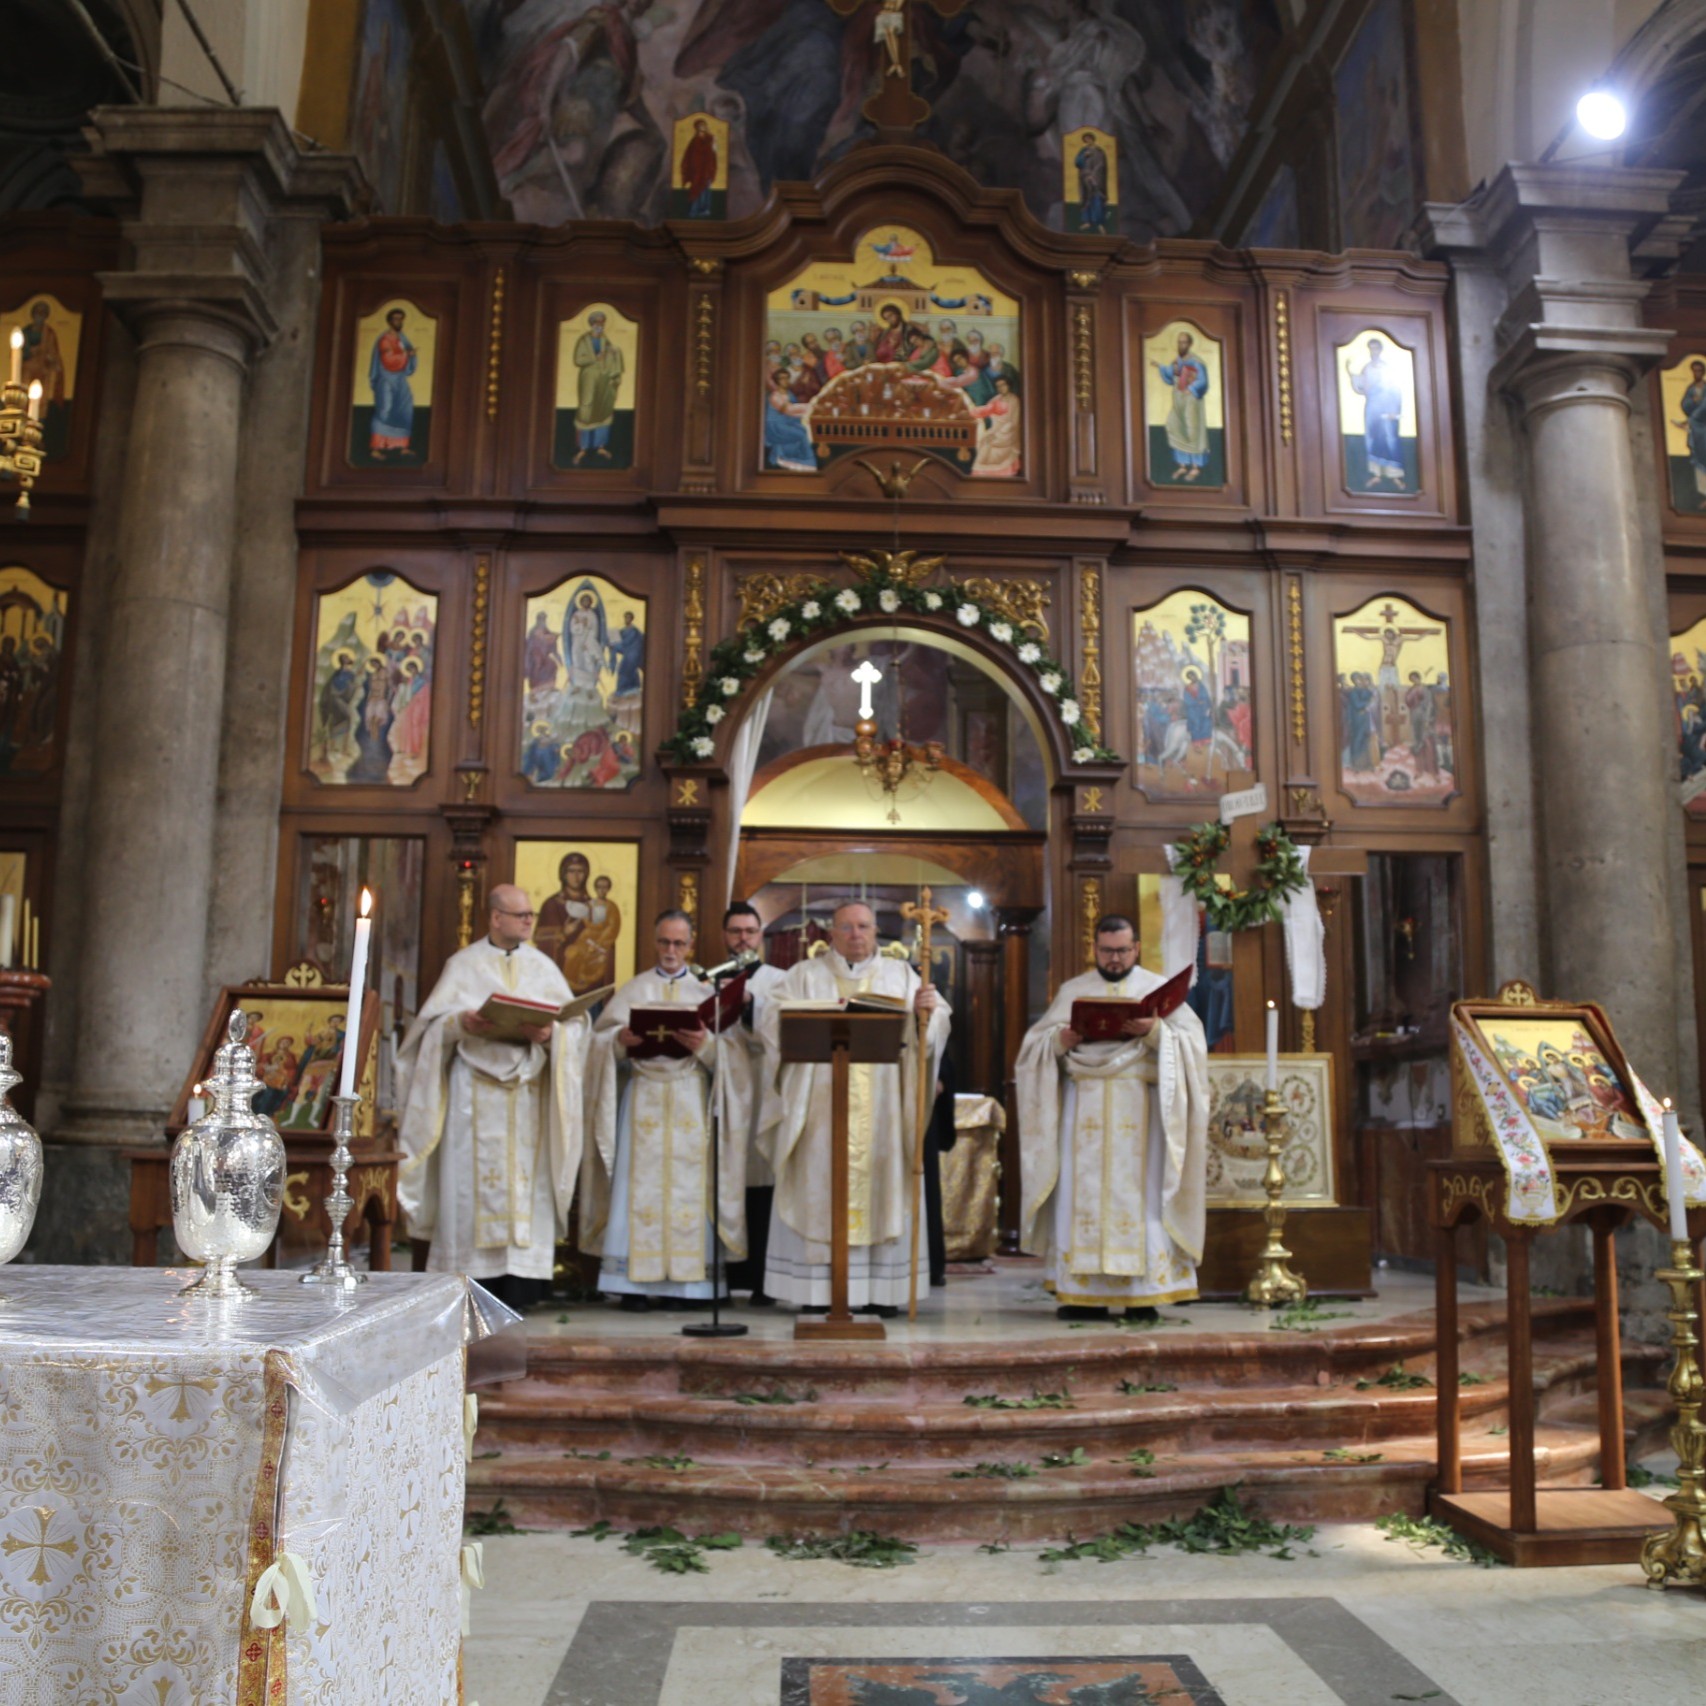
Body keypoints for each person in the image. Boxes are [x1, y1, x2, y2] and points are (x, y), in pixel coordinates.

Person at [396, 884, 589, 1309]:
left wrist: (551, 1033)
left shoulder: (542, 967)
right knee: (469, 1186)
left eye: (530, 915)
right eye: (519, 914)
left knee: (525, 1185)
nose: (527, 921)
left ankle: (523, 1283)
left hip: (526, 1094)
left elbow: (574, 1028)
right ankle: (468, 1280)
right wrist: (461, 1023)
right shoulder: (462, 965)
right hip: (473, 1096)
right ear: (495, 917)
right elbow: (428, 1032)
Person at [757, 899, 950, 1316]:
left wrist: (928, 1015)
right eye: (846, 928)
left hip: (883, 1107)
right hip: (819, 1110)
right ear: (831, 933)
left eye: (863, 927)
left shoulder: (901, 975)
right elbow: (771, 1022)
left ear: (875, 930)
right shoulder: (804, 976)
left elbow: (932, 1031)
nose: (855, 935)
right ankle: (818, 1294)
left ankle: (882, 1291)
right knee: (818, 1185)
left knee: (883, 1187)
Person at [1014, 914, 1210, 1321]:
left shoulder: (1158, 990)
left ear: (1136, 948)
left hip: (1142, 1113)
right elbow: (1033, 1050)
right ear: (1096, 949)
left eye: (1122, 950)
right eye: (1107, 951)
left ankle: (1145, 1293)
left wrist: (1156, 1033)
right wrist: (1059, 1041)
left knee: (1142, 1198)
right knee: (1079, 1193)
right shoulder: (1074, 990)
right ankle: (1082, 1293)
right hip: (1082, 1107)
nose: (1115, 958)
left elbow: (1193, 1049)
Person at [581, 909, 749, 1310]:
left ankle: (689, 1286)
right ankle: (635, 1285)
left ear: (691, 945)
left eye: (679, 943)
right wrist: (620, 1041)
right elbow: (597, 1045)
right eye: (664, 942)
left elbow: (736, 1060)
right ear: (655, 943)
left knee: (690, 1189)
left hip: (690, 1096)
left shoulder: (706, 993)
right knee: (637, 1186)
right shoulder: (633, 989)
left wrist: (705, 1046)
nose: (671, 950)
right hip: (642, 1101)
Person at [717, 902, 789, 1305]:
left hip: (767, 1091)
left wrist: (751, 1007)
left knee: (767, 1187)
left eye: (750, 931)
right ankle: (726, 1277)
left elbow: (784, 1030)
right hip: (726, 1096)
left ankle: (766, 1281)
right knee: (727, 1182)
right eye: (735, 931)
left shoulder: (780, 981)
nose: (742, 938)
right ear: (724, 935)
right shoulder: (708, 978)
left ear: (761, 935)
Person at [1345, 336, 1405, 489]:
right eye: (1371, 348)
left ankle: (1395, 476)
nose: (1373, 351)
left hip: (1387, 408)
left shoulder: (1387, 368)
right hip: (1372, 408)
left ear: (1381, 350)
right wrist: (1350, 373)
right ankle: (1376, 475)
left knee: (1390, 439)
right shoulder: (1368, 368)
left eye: (1376, 348)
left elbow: (1396, 391)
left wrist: (1395, 411)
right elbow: (1363, 386)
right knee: (1373, 438)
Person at [1154, 330, 1210, 481]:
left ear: (1190, 344)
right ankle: (1182, 465)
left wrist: (1190, 389)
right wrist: (1161, 367)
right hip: (1178, 401)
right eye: (1179, 342)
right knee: (1174, 426)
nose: (1181, 345)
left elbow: (1203, 382)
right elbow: (1171, 377)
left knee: (1192, 431)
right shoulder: (1177, 361)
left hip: (1191, 402)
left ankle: (1195, 467)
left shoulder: (1197, 362)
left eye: (1184, 342)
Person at [572, 311, 624, 462]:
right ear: (592, 323)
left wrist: (613, 353)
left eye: (602, 323)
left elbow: (609, 356)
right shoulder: (583, 340)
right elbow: (578, 359)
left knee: (603, 409)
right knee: (586, 410)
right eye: (597, 322)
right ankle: (583, 448)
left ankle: (600, 446)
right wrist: (595, 358)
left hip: (603, 380)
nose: (599, 325)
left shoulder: (605, 340)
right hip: (588, 379)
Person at [367, 307, 418, 460]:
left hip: (400, 380)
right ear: (390, 321)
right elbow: (389, 360)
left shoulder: (403, 338)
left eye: (401, 319)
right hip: (386, 380)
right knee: (384, 410)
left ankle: (402, 446)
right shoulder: (385, 339)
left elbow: (408, 356)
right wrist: (406, 354)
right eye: (396, 319)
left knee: (404, 408)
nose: (399, 322)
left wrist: (411, 356)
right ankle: (376, 448)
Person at [680, 116, 718, 217]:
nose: (702, 128)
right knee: (696, 189)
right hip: (697, 171)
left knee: (706, 190)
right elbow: (689, 157)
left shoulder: (711, 138)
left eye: (704, 126)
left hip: (707, 169)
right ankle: (694, 211)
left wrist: (714, 145)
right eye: (700, 126)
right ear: (696, 128)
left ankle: (705, 210)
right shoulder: (694, 141)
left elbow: (713, 153)